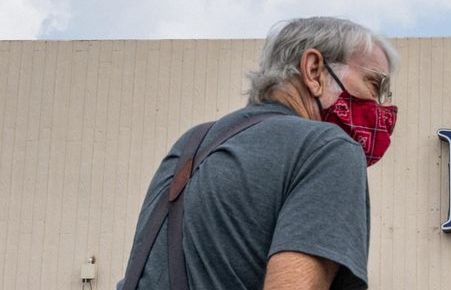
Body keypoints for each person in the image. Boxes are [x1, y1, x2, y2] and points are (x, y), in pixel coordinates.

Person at [118, 17, 399, 290]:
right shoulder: (327, 149)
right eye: (375, 85)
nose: (380, 105)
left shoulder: (192, 144)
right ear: (314, 71)